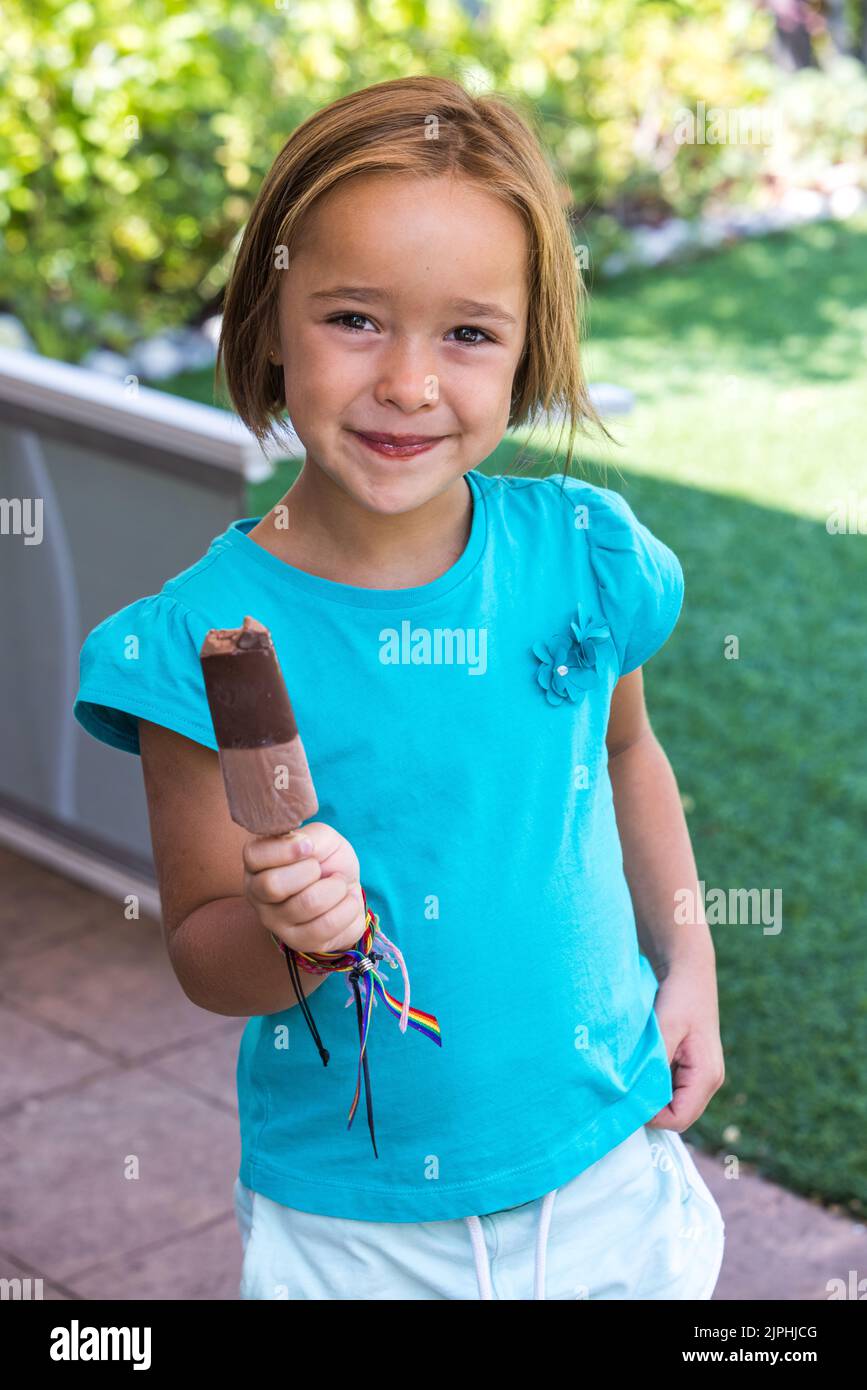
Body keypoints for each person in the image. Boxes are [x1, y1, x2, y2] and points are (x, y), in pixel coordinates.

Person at [73, 74, 726, 1301]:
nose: (411, 384)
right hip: (358, 1227)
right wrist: (293, 934)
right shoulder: (203, 641)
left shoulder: (579, 560)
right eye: (355, 319)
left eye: (469, 332)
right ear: (270, 322)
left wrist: (687, 963)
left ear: (533, 346)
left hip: (610, 1168)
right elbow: (207, 952)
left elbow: (629, 756)